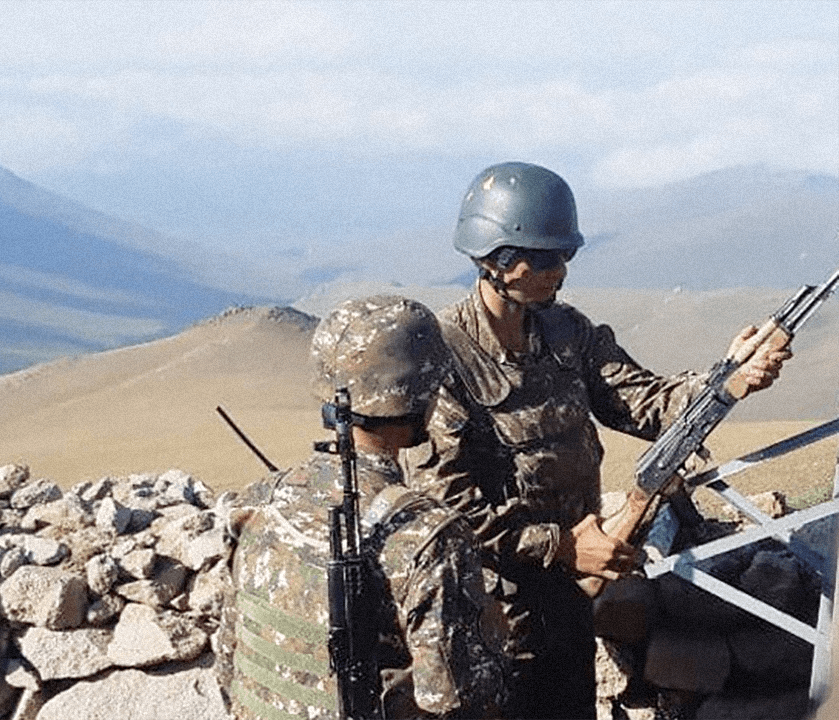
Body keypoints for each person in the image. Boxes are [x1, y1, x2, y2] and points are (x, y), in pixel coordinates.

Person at [404, 162, 790, 720]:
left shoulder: (567, 332)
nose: (559, 271)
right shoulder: (444, 358)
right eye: (544, 258)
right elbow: (449, 516)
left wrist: (728, 378)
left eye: (566, 255)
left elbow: (645, 403)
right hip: (491, 616)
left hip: (570, 598)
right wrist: (559, 545)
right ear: (496, 260)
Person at [220, 295, 507, 720]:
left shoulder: (258, 500)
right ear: (423, 396)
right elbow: (460, 702)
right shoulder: (428, 537)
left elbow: (230, 663)